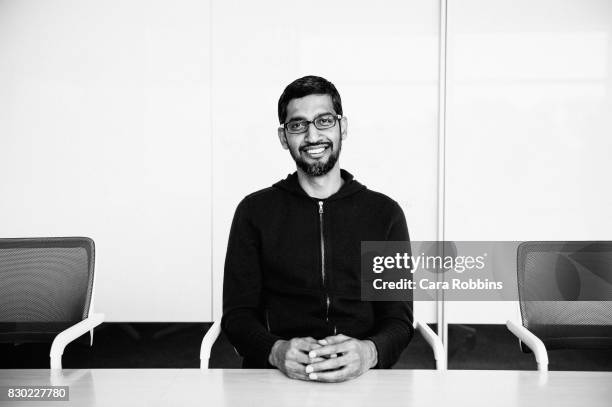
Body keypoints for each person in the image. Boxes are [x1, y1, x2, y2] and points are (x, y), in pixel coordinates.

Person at [222, 75, 413, 382]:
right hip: (274, 377)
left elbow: (398, 321)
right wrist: (275, 351)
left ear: (343, 127)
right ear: (284, 137)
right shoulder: (254, 212)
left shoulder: (384, 214)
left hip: (364, 378)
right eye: (298, 125)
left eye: (324, 121)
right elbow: (237, 316)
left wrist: (368, 352)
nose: (312, 135)